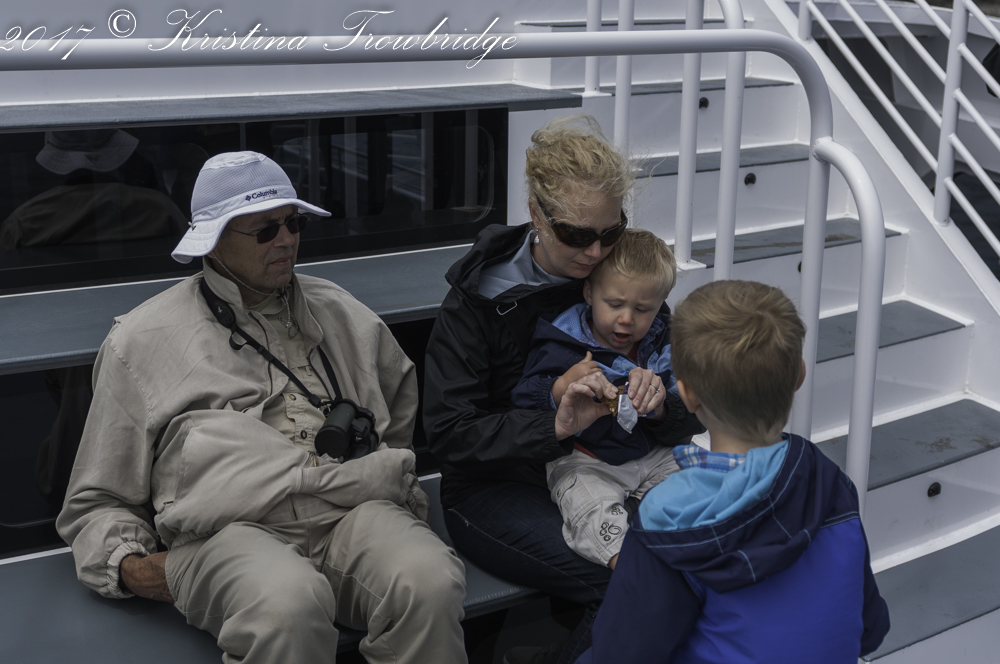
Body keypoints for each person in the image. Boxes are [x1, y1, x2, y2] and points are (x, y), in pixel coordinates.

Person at [57, 151, 468, 664]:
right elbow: (96, 498)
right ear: (213, 241)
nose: (287, 239)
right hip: (229, 535)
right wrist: (129, 566)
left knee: (430, 580)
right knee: (286, 605)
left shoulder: (344, 313)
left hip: (352, 511)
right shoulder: (139, 342)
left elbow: (397, 421)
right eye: (265, 230)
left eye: (293, 223)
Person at [423, 116, 699, 664]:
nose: (595, 252)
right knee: (636, 582)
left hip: (618, 467)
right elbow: (451, 434)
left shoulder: (622, 282)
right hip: (499, 485)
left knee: (696, 563)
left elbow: (690, 408)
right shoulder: (477, 301)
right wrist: (554, 421)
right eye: (576, 235)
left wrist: (659, 404)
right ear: (536, 214)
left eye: (610, 232)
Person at [575, 280, 890, 664]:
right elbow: (870, 629)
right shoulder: (829, 482)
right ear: (799, 376)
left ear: (687, 395)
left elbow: (622, 654)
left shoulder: (670, 515)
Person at [511, 228, 700, 571]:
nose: (626, 319)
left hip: (653, 453)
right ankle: (628, 567)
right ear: (589, 292)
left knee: (703, 478)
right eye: (614, 304)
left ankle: (696, 546)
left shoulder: (665, 341)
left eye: (643, 309)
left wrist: (662, 407)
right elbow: (524, 401)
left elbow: (695, 409)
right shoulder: (562, 340)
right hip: (587, 459)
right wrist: (561, 387)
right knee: (588, 503)